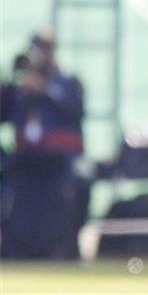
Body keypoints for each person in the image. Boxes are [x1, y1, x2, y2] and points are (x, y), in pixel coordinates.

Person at [0, 29, 88, 259]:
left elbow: (75, 111)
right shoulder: (21, 86)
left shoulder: (68, 82)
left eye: (45, 48)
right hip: (25, 159)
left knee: (81, 182)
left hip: (60, 159)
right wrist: (10, 84)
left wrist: (44, 91)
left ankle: (68, 246)